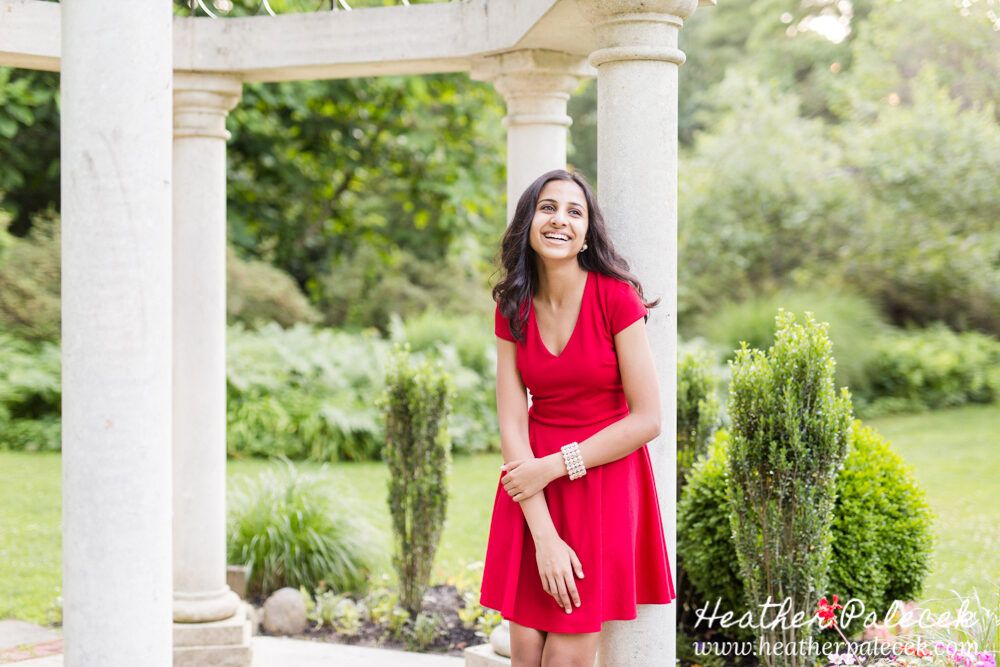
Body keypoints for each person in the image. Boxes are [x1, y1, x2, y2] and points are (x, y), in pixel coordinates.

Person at [479, 168, 676, 666]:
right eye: (548, 207)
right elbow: (511, 421)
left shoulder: (616, 299)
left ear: (588, 231)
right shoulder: (513, 306)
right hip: (532, 494)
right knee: (524, 651)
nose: (560, 219)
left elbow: (647, 418)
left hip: (602, 483)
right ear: (528, 221)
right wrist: (542, 533)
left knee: (565, 655)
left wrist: (554, 465)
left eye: (574, 211)